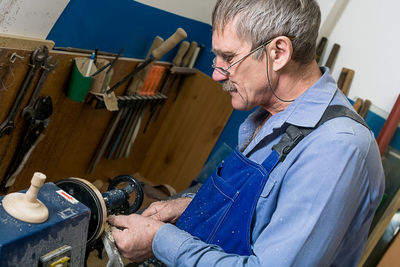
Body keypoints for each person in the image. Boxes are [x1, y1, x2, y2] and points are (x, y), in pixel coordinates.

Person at [109, 0, 385, 266]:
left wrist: (161, 240)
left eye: (228, 57)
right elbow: (255, 211)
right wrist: (188, 205)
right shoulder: (270, 114)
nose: (217, 74)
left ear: (278, 53)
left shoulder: (336, 148)